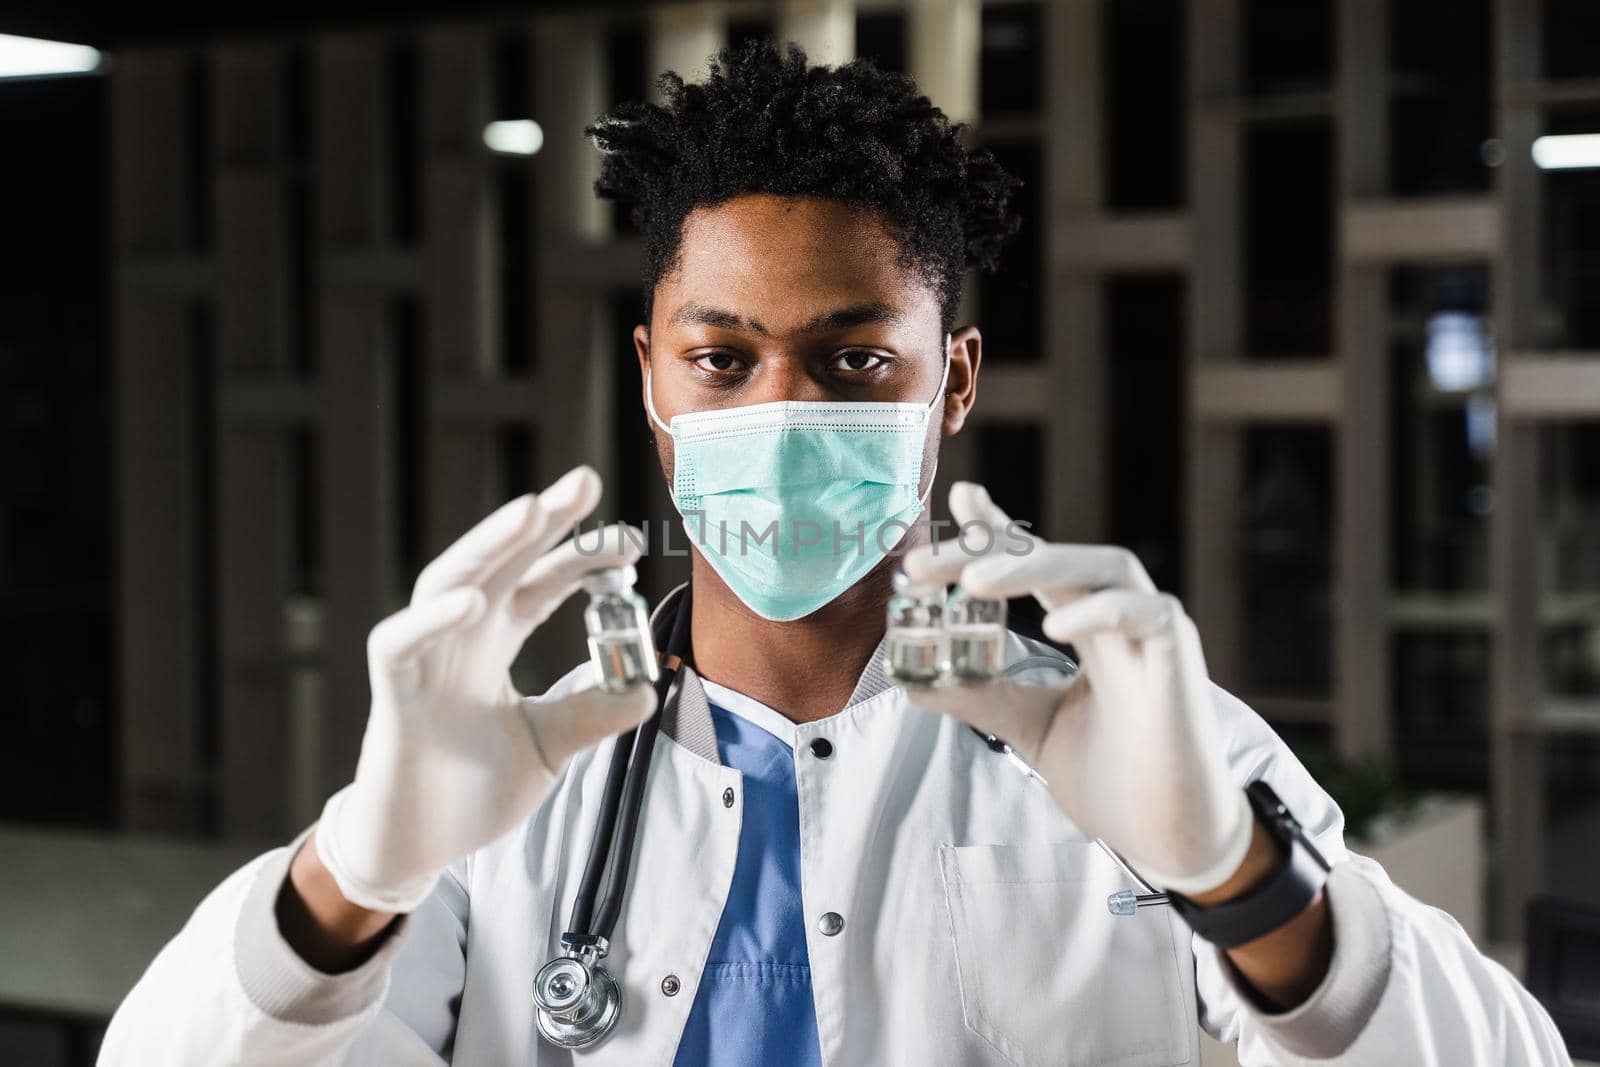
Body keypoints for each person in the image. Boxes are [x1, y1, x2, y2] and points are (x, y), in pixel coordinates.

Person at [100, 39, 1569, 1066]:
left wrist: (1237, 877)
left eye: (854, 361)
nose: (782, 410)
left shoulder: (1148, 754)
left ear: (957, 380)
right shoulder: (498, 804)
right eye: (723, 359)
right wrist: (353, 870)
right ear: (654, 380)